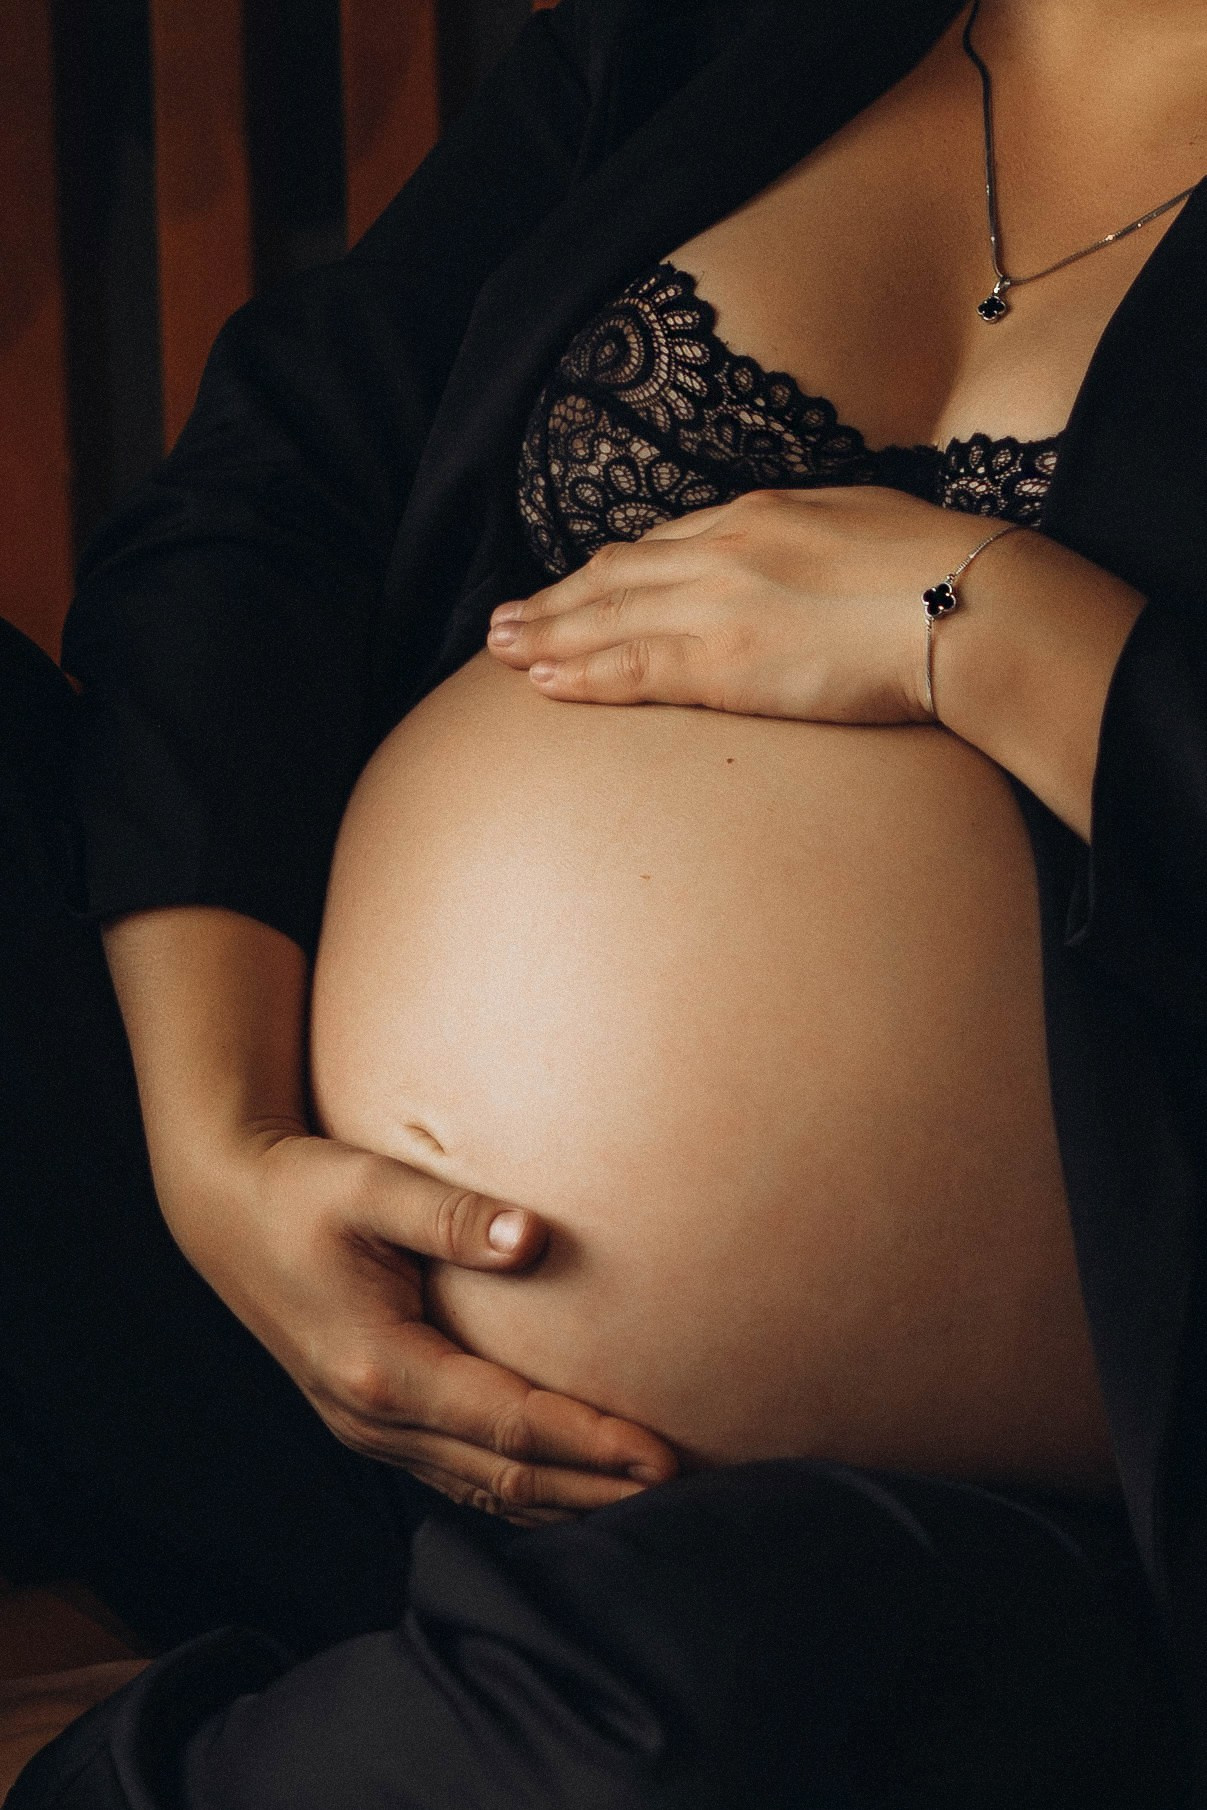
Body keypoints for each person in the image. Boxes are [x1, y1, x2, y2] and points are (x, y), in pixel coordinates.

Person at [2, 0, 1205, 1801]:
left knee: (693, 1692)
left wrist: (996, 628)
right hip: (283, 1321)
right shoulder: (712, 37)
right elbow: (268, 502)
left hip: (903, 1527)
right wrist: (219, 1143)